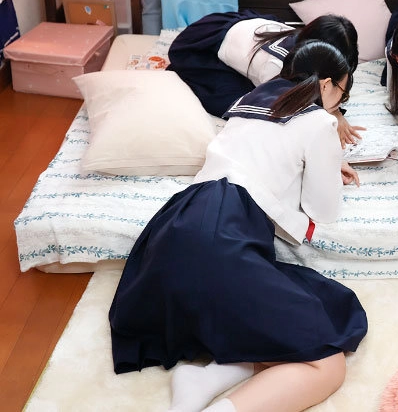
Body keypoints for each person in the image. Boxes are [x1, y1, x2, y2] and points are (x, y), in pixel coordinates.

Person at [109, 40, 368, 412]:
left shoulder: (250, 101)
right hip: (222, 240)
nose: (340, 103)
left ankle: (207, 377)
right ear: (327, 84)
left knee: (322, 304)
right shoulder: (319, 121)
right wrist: (327, 163)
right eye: (343, 93)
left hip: (172, 231)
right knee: (327, 358)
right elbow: (323, 210)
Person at [167, 10, 363, 145]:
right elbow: (287, 115)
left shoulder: (307, 52)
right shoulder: (276, 66)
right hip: (204, 44)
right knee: (239, 104)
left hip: (247, 29)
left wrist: (336, 110)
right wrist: (331, 116)